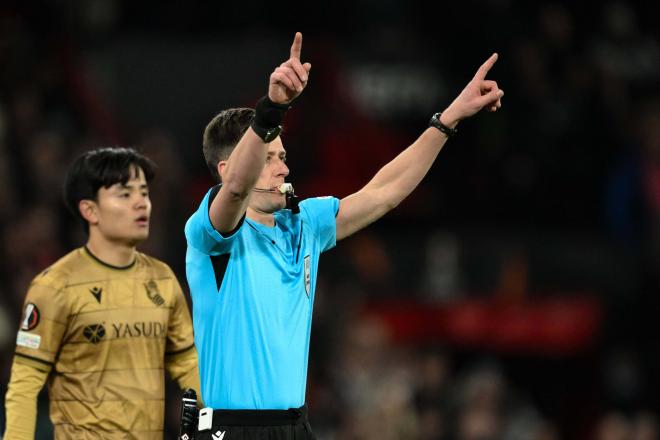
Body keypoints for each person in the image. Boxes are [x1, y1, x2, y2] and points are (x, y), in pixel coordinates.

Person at [185, 32, 503, 439]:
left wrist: (449, 117)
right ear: (229, 167)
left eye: (283, 156)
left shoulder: (305, 224)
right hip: (231, 430)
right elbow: (234, 192)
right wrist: (272, 111)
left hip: (295, 427)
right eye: (268, 159)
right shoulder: (210, 236)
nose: (283, 168)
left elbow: (383, 192)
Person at [3, 147, 201, 439]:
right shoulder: (54, 287)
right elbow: (25, 382)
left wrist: (217, 422)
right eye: (125, 194)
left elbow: (187, 366)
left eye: (143, 193)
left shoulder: (162, 279)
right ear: (90, 210)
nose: (142, 204)